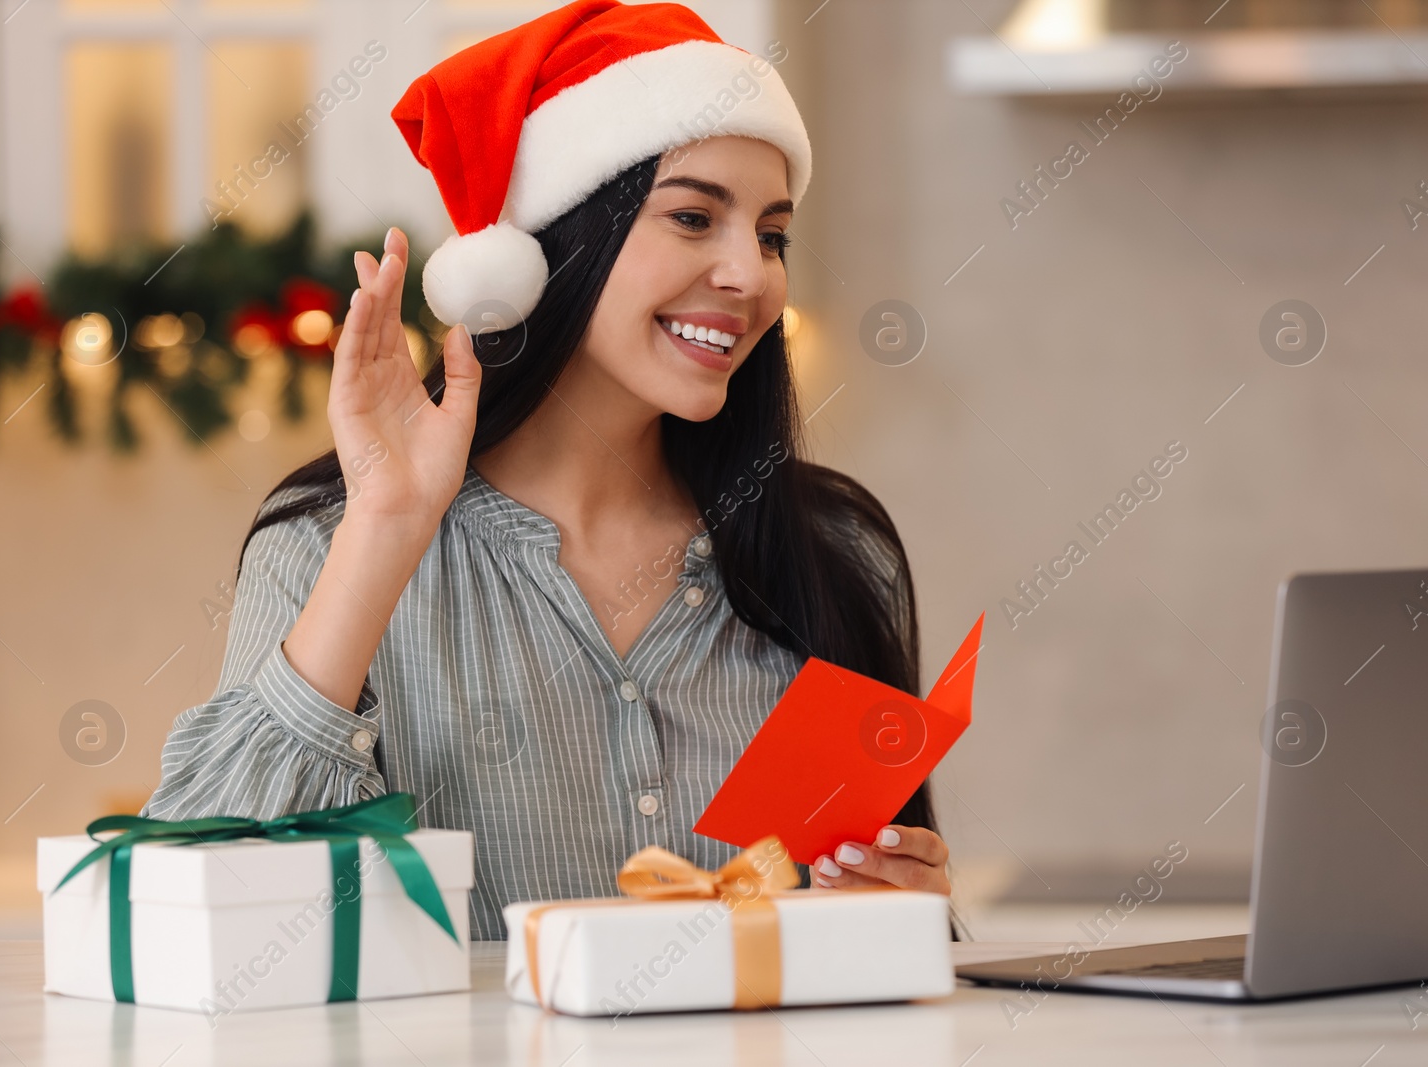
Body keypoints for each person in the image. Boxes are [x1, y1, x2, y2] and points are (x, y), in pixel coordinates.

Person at [144, 0, 951, 940]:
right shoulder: (326, 546)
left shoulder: (832, 552)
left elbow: (878, 953)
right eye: (693, 217)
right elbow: (202, 901)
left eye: (771, 234)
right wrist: (386, 532)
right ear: (551, 247)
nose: (751, 274)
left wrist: (904, 923)